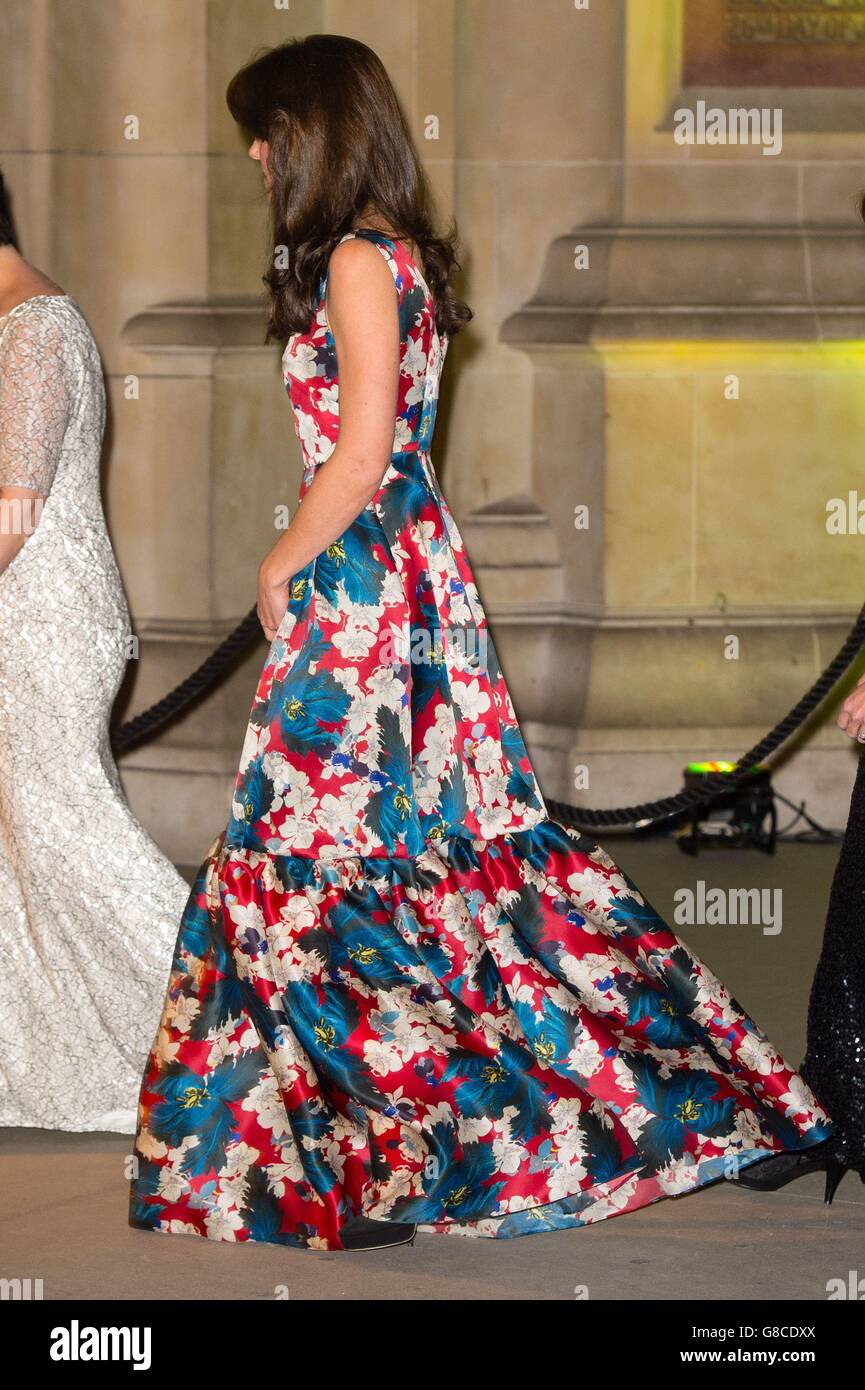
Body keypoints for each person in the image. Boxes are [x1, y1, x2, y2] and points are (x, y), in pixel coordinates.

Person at [129, 35, 831, 1252]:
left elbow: (357, 454)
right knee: (415, 855)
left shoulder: (355, 258)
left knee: (308, 851)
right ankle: (417, 1130)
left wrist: (279, 558)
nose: (251, 152)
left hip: (359, 590)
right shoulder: (397, 256)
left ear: (314, 132)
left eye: (263, 130)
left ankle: (388, 1138)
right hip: (412, 578)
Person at [0, 171, 189, 1131]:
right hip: (19, 619)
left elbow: (12, 511)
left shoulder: (33, 327)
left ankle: (233, 1037)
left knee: (77, 840)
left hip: (44, 625)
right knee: (21, 852)